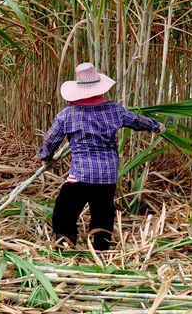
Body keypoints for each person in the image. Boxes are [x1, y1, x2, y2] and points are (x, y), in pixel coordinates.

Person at [39, 62, 165, 251]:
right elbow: (137, 121)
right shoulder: (114, 110)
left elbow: (50, 139)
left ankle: (65, 244)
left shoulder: (67, 115)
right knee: (103, 212)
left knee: (65, 210)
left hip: (81, 174)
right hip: (107, 175)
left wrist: (46, 156)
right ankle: (101, 247)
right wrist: (157, 126)